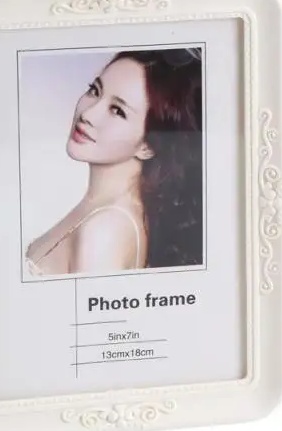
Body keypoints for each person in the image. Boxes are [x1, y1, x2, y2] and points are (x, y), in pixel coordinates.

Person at [24, 48, 203, 277]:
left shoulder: (105, 229)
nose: (88, 114)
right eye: (95, 91)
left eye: (117, 111)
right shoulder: (108, 212)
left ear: (148, 146)